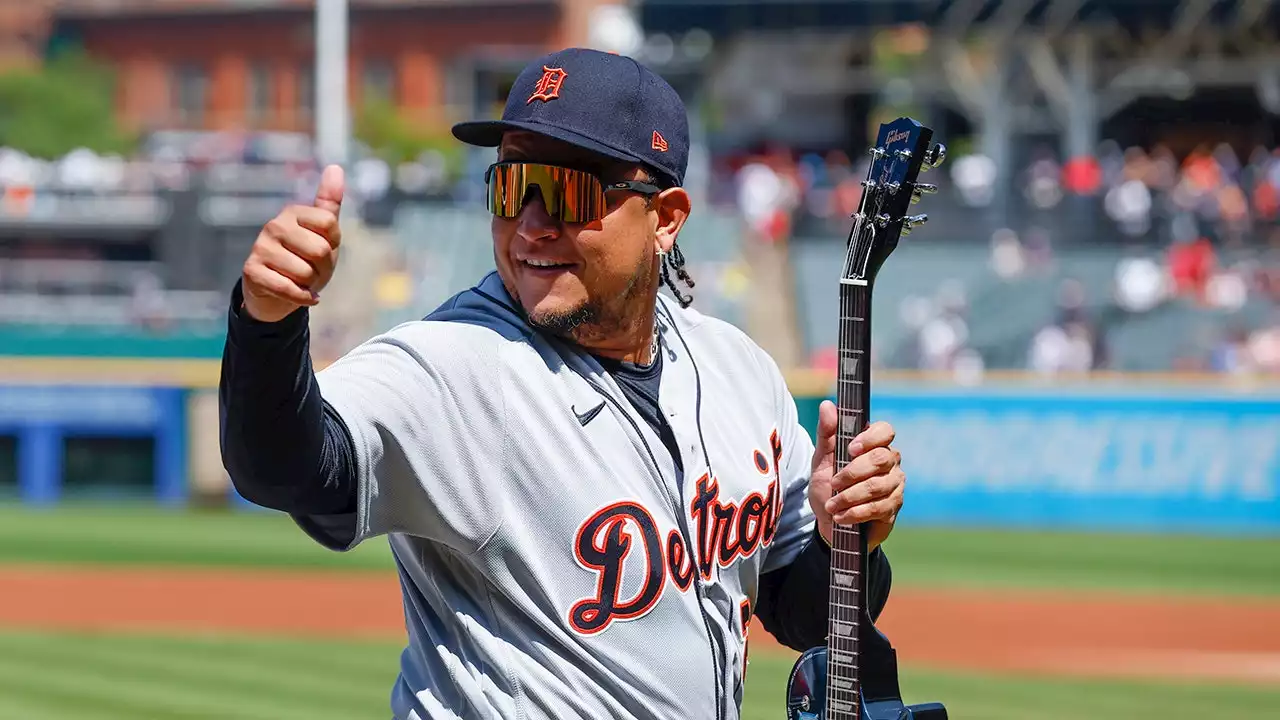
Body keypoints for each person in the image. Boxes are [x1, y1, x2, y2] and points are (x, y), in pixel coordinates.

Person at [220, 48, 909, 720]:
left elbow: (802, 610)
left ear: (665, 219)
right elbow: (286, 471)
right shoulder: (453, 365)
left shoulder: (737, 369)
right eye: (513, 187)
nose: (532, 225)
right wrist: (267, 324)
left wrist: (842, 536)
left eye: (571, 193)